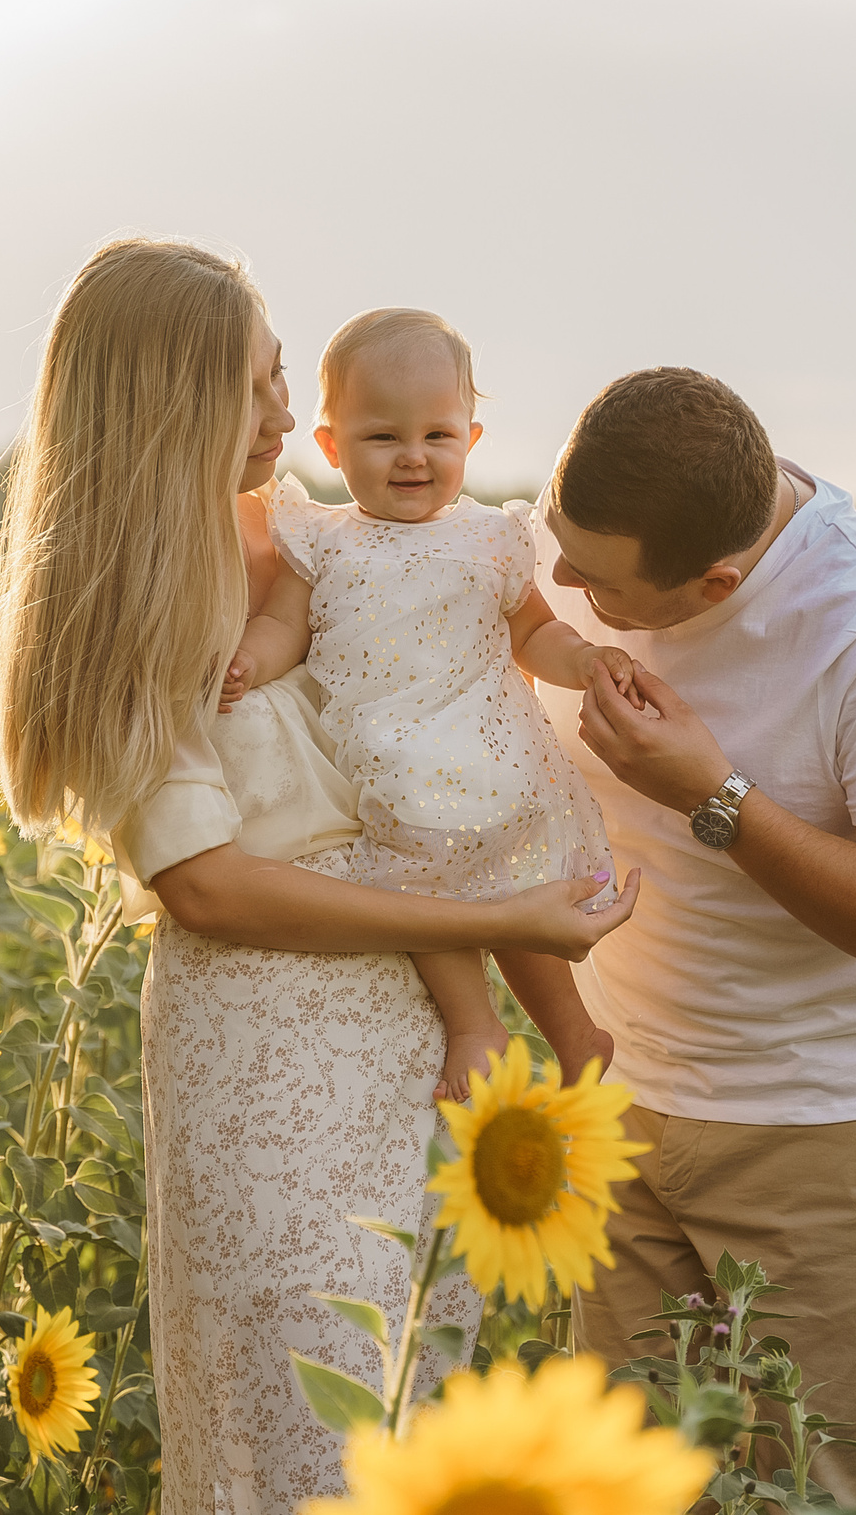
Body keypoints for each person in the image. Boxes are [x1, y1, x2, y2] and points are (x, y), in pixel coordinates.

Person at [0, 239, 638, 1513]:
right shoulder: (124, 604)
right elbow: (211, 888)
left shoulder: (309, 535)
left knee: (413, 1412)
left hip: (414, 1042)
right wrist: (500, 915)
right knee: (303, 1427)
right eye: (257, 388)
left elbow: (473, 650)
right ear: (172, 404)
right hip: (271, 1043)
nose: (288, 415)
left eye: (286, 381)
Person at [528, 366, 856, 1505]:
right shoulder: (576, 556)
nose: (563, 586)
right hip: (622, 1105)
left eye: (598, 581)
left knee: (827, 1487)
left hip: (824, 1136)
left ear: (717, 581)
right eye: (558, 541)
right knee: (629, 1489)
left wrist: (714, 796)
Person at [225, 305, 625, 1099]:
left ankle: (576, 1032)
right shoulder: (325, 539)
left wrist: (585, 660)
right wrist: (250, 660)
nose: (413, 458)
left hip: (496, 754)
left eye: (437, 437)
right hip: (397, 773)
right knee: (418, 891)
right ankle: (475, 1021)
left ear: (469, 440)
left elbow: (533, 631)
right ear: (333, 446)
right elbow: (284, 625)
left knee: (519, 897)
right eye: (383, 438)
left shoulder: (488, 538)